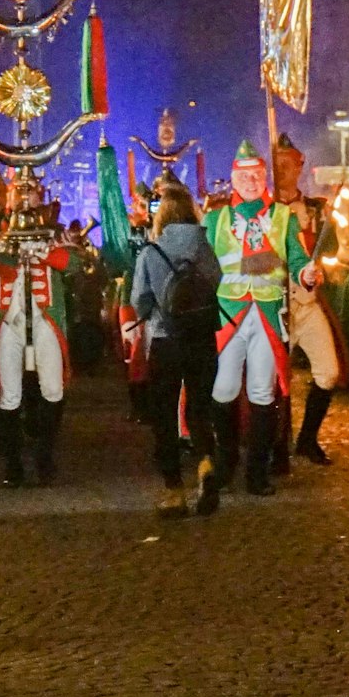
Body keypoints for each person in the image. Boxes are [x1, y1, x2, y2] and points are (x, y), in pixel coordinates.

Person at [201, 139, 314, 496]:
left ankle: (257, 472)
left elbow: (295, 258)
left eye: (257, 174)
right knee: (223, 389)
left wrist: (305, 273)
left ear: (264, 177)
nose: (251, 181)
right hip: (228, 315)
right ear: (234, 179)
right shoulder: (216, 219)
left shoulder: (282, 216)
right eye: (245, 175)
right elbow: (203, 265)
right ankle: (226, 460)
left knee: (263, 392)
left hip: (265, 312)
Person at [0, 173, 78, 490]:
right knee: (8, 394)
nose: (24, 199)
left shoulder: (55, 232)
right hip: (8, 322)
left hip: (46, 317)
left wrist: (46, 253)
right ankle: (13, 464)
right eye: (18, 193)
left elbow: (76, 266)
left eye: (31, 193)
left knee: (53, 388)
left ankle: (45, 456)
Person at [132, 182, 221, 516]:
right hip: (202, 337)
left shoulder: (151, 252)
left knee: (164, 416)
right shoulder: (204, 247)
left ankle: (174, 492)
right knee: (199, 409)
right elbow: (216, 281)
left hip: (165, 341)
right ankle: (205, 465)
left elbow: (139, 300)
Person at [271, 135, 344, 466]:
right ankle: (275, 444)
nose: (283, 172)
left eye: (289, 165)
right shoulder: (265, 211)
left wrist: (321, 264)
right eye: (278, 166)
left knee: (328, 371)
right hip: (276, 304)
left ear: (300, 167)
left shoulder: (316, 208)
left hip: (308, 302)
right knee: (272, 379)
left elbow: (331, 248)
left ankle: (307, 439)